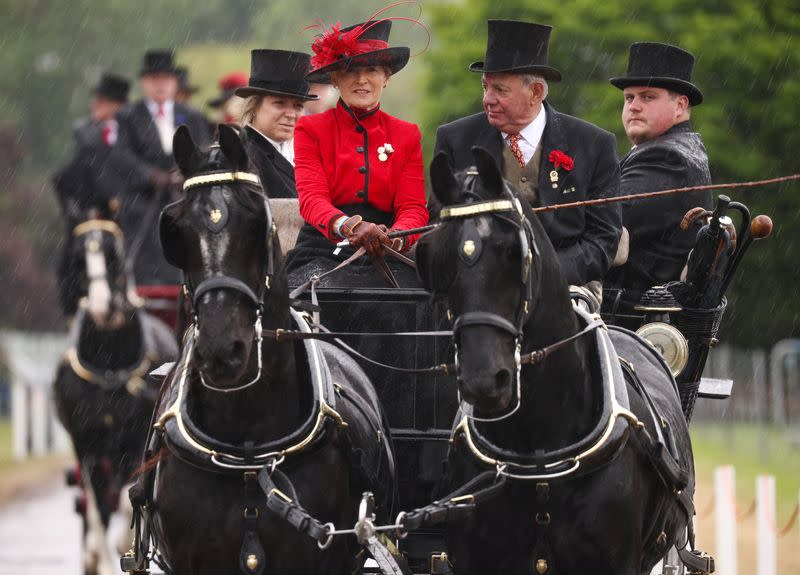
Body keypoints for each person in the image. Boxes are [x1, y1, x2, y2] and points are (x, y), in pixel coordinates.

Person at [434, 20, 621, 308]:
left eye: (500, 90)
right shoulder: (454, 139)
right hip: (477, 288)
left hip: (567, 289)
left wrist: (543, 270)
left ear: (535, 92)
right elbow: (440, 220)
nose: (487, 100)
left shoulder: (594, 145)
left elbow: (603, 240)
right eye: (485, 87)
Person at [286, 19, 428, 283]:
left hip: (389, 252)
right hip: (322, 250)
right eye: (351, 70)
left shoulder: (407, 134)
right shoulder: (310, 129)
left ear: (386, 77)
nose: (361, 80)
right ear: (335, 79)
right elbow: (312, 200)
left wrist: (394, 239)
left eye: (372, 70)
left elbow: (413, 208)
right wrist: (350, 226)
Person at [604, 42, 712, 307]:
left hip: (626, 320)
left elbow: (601, 223)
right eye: (629, 98)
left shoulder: (668, 158)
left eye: (648, 96)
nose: (634, 106)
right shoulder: (680, 149)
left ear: (680, 106)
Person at [113, 50, 211, 286]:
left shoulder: (192, 116)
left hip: (185, 196)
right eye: (154, 80)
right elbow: (121, 155)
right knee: (145, 236)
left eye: (165, 79)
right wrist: (151, 175)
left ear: (174, 83)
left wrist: (186, 174)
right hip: (144, 200)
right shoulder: (128, 117)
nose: (160, 85)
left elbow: (205, 150)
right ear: (144, 83)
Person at [52, 72, 130, 318]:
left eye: (103, 100)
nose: (95, 105)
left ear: (118, 106)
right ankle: (74, 314)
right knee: (71, 260)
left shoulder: (131, 132)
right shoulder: (85, 134)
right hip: (95, 214)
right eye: (96, 99)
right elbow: (72, 176)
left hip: (130, 210)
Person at [236, 50, 318, 199]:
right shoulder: (244, 155)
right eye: (279, 103)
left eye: (298, 105)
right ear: (254, 106)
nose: (291, 114)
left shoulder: (301, 152)